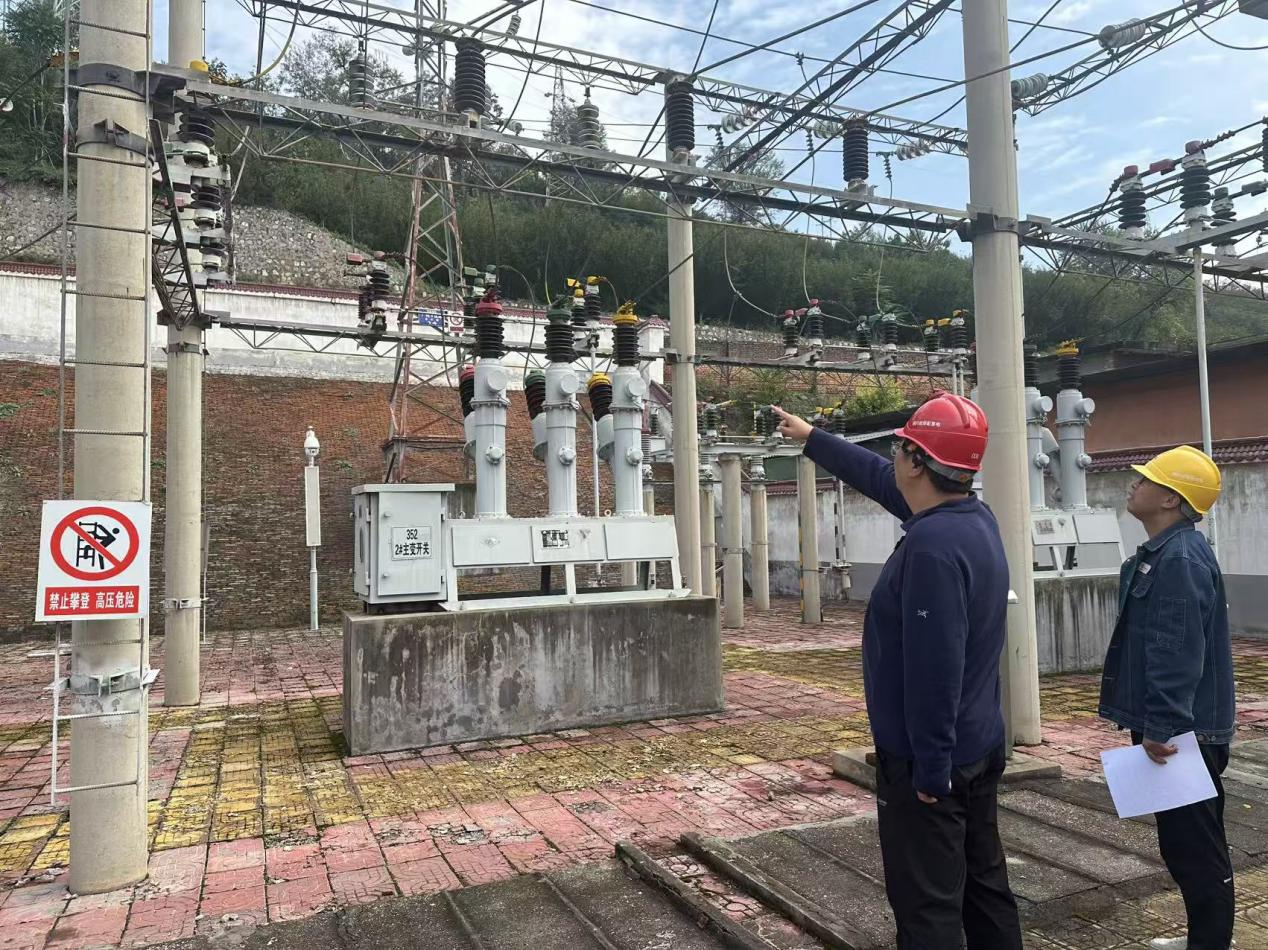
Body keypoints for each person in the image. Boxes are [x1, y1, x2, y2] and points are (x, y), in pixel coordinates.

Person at [773, 394, 1022, 950]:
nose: (894, 457)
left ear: (917, 461)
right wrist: (812, 437)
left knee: (926, 907)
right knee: (985, 888)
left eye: (902, 447)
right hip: (978, 744)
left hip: (932, 764)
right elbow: (881, 479)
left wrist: (930, 771)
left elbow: (935, 670)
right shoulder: (971, 517)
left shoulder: (931, 547)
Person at [1098, 445, 1234, 950]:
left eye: (1147, 479)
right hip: (1179, 728)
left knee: (1195, 850)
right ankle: (1206, 938)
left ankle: (1210, 943)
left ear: (1171, 500)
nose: (1134, 483)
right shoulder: (1169, 552)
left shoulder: (1178, 558)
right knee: (1186, 844)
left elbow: (1175, 652)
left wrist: (1162, 727)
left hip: (1182, 733)